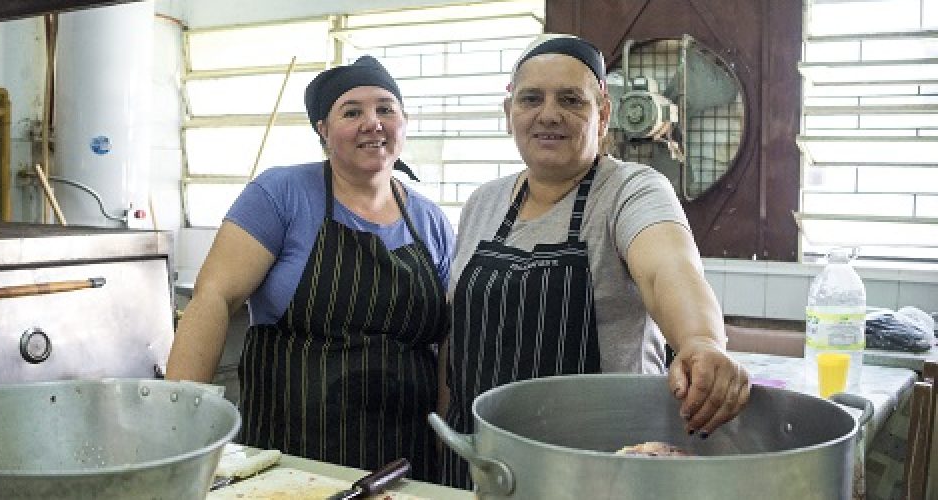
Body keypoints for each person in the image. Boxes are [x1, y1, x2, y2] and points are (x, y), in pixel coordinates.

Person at [441, 34, 751, 487]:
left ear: (603, 114)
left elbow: (668, 267)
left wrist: (701, 340)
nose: (549, 114)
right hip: (485, 460)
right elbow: (460, 332)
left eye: (571, 100)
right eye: (532, 99)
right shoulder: (482, 204)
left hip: (601, 467)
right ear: (509, 114)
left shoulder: (630, 190)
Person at [166, 55, 454, 482]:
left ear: (403, 121)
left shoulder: (431, 221)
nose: (372, 122)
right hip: (291, 460)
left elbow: (446, 345)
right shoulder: (282, 194)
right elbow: (213, 298)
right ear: (323, 130)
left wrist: (446, 445)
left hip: (402, 464)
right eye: (352, 111)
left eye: (385, 108)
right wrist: (179, 431)